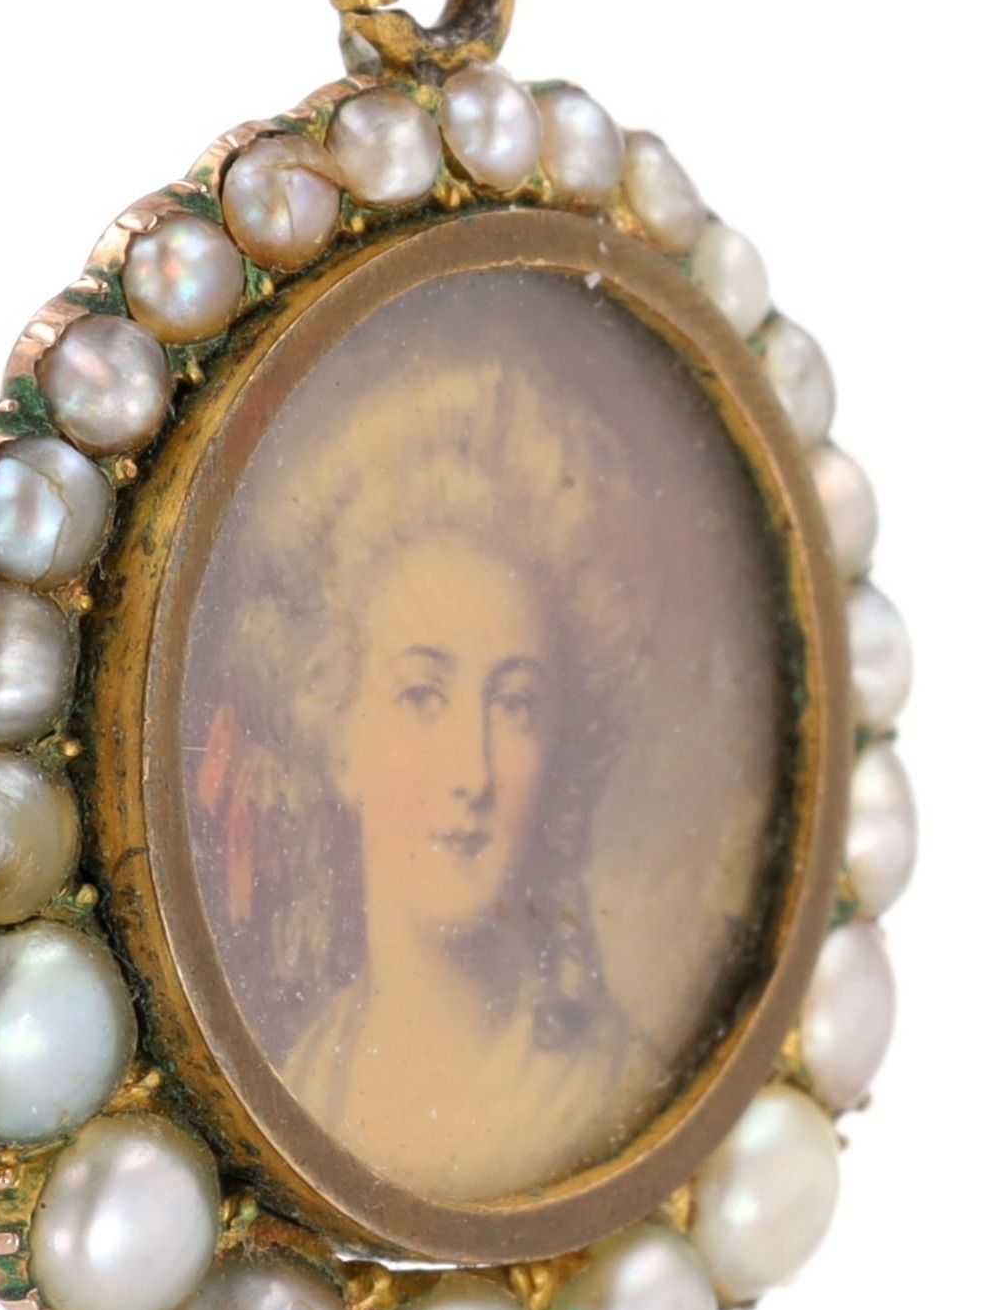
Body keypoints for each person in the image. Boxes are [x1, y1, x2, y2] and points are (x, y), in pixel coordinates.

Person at [189, 349, 656, 1201]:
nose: (472, 773)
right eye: (421, 695)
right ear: (338, 732)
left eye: (515, 705)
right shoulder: (303, 1083)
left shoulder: (612, 1103)